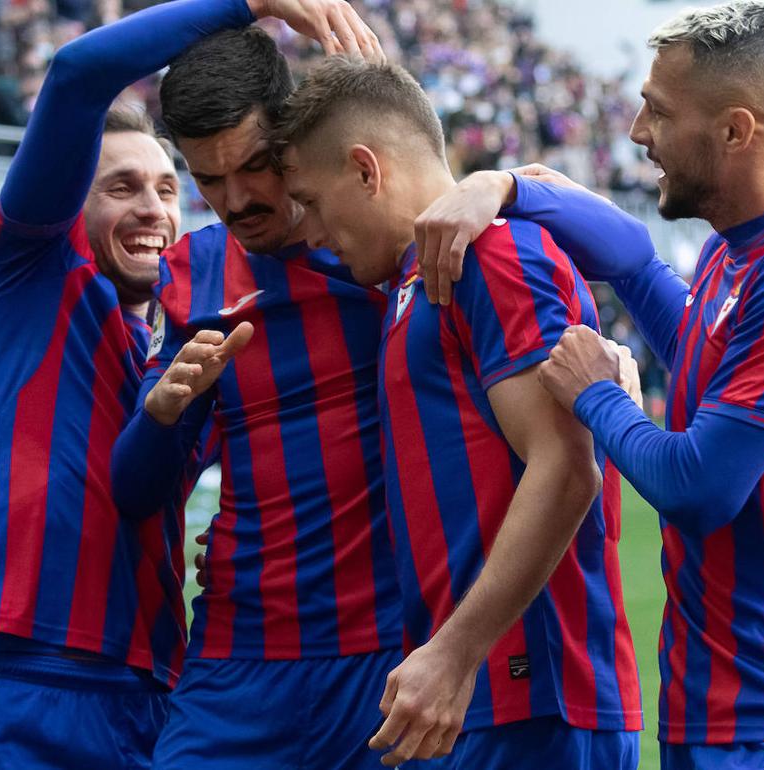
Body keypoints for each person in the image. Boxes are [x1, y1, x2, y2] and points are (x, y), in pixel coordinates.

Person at [413, 2, 764, 769]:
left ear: (735, 130)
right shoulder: (741, 258)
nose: (636, 132)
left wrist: (599, 394)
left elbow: (697, 486)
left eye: (658, 110)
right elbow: (636, 263)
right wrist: (504, 186)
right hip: (716, 710)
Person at [0, 1, 372, 767]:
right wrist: (251, 6)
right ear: (71, 202)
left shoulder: (183, 328)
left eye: (172, 190)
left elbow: (144, 486)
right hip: (22, 677)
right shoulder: (26, 280)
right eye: (123, 188)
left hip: (158, 688)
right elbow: (76, 76)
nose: (156, 211)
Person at [274, 57, 642, 769]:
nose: (310, 232)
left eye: (311, 202)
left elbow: (568, 467)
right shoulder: (416, 281)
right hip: (473, 698)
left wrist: (454, 652)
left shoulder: (495, 254)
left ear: (365, 170)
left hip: (529, 696)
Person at [108, 20, 401, 770]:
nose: (236, 200)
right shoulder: (195, 274)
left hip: (391, 654)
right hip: (239, 661)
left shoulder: (383, 248)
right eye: (208, 178)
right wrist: (161, 411)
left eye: (256, 166)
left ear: (294, 130)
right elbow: (137, 490)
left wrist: (508, 186)